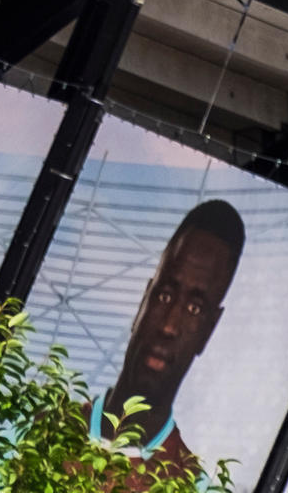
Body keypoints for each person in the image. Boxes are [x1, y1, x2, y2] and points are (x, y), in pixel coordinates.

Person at [94, 198, 245, 484]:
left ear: (208, 331)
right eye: (165, 296)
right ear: (143, 302)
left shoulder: (193, 487)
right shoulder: (35, 432)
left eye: (194, 309)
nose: (169, 326)